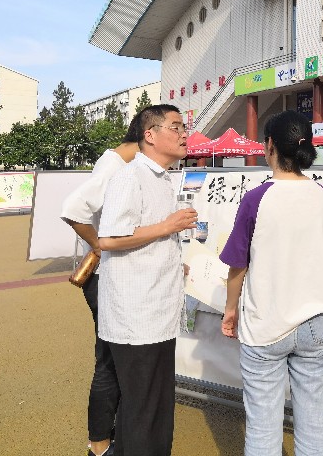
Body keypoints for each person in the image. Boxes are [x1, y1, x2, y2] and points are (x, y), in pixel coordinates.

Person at [220, 110, 323, 456]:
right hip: (318, 323)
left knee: (262, 427)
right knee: (315, 425)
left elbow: (237, 266)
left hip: (266, 326)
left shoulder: (256, 198)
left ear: (269, 145)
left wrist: (230, 310)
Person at [97, 104, 197, 456]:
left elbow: (143, 238)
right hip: (136, 318)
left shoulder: (162, 178)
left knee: (154, 410)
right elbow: (108, 238)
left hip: (157, 313)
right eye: (175, 127)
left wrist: (173, 262)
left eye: (185, 127)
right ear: (150, 135)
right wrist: (167, 227)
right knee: (143, 411)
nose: (184, 133)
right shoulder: (130, 176)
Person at [60, 117, 141, 456]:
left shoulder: (118, 163)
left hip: (113, 278)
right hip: (104, 279)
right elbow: (73, 209)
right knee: (110, 360)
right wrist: (99, 244)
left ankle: (110, 438)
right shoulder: (115, 166)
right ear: (145, 137)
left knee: (117, 359)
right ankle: (99, 444)